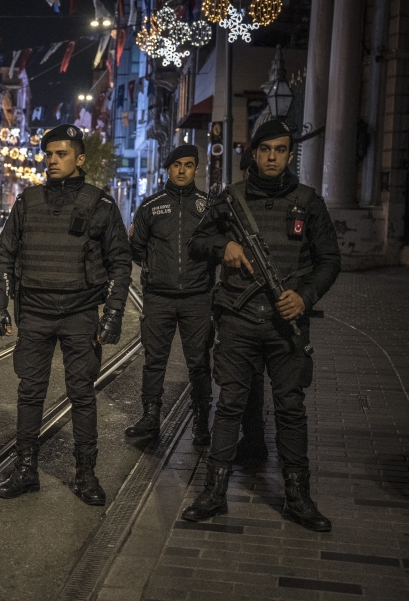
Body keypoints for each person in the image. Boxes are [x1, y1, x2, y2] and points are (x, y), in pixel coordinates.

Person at [182, 119, 341, 531]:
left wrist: (305, 296)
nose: (272, 157)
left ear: (290, 155)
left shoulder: (308, 202)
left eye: (281, 150)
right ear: (254, 152)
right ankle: (214, 491)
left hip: (286, 324)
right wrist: (225, 246)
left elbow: (329, 261)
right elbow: (197, 244)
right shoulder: (230, 199)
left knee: (290, 408)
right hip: (237, 320)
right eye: (265, 149)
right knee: (229, 404)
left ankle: (297, 496)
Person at [0, 124, 132, 506]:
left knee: (82, 394)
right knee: (29, 393)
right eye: (49, 154)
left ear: (79, 159)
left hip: (80, 312)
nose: (52, 160)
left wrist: (113, 315)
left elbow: (120, 263)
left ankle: (86, 474)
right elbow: (5, 255)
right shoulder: (27, 202)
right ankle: (25, 470)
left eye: (61, 154)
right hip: (34, 311)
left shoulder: (100, 204)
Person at [125, 145, 215, 445]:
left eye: (188, 165)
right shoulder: (151, 206)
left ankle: (202, 421)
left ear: (196, 169)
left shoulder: (208, 206)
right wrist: (154, 270)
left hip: (197, 297)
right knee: (154, 361)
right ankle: (150, 417)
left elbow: (217, 248)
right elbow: (136, 247)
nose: (182, 170)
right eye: (177, 165)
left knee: (200, 362)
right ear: (168, 168)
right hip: (159, 298)